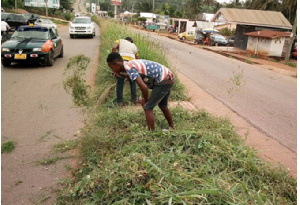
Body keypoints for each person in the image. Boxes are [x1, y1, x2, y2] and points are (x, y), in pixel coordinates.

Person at [107, 52, 175, 131]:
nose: (112, 70)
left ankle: (152, 135)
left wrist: (145, 100)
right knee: (162, 105)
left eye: (112, 67)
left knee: (148, 107)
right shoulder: (129, 64)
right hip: (168, 76)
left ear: (117, 63)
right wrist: (122, 74)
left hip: (164, 79)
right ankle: (172, 127)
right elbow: (135, 75)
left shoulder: (129, 67)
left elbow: (144, 87)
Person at [112, 37, 139, 105]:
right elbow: (137, 59)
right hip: (132, 63)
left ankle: (119, 101)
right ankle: (134, 99)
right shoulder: (134, 46)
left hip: (122, 62)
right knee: (132, 81)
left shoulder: (120, 41)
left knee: (120, 82)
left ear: (125, 40)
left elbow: (114, 48)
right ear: (131, 42)